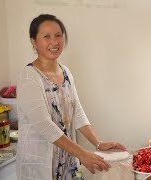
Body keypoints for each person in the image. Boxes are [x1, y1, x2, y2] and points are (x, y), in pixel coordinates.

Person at [16, 14, 126, 180]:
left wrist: (98, 143)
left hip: (67, 161)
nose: (54, 42)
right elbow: (45, 126)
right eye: (46, 36)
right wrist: (83, 153)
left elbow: (77, 113)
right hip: (40, 166)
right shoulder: (29, 77)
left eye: (58, 35)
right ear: (34, 42)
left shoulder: (65, 72)